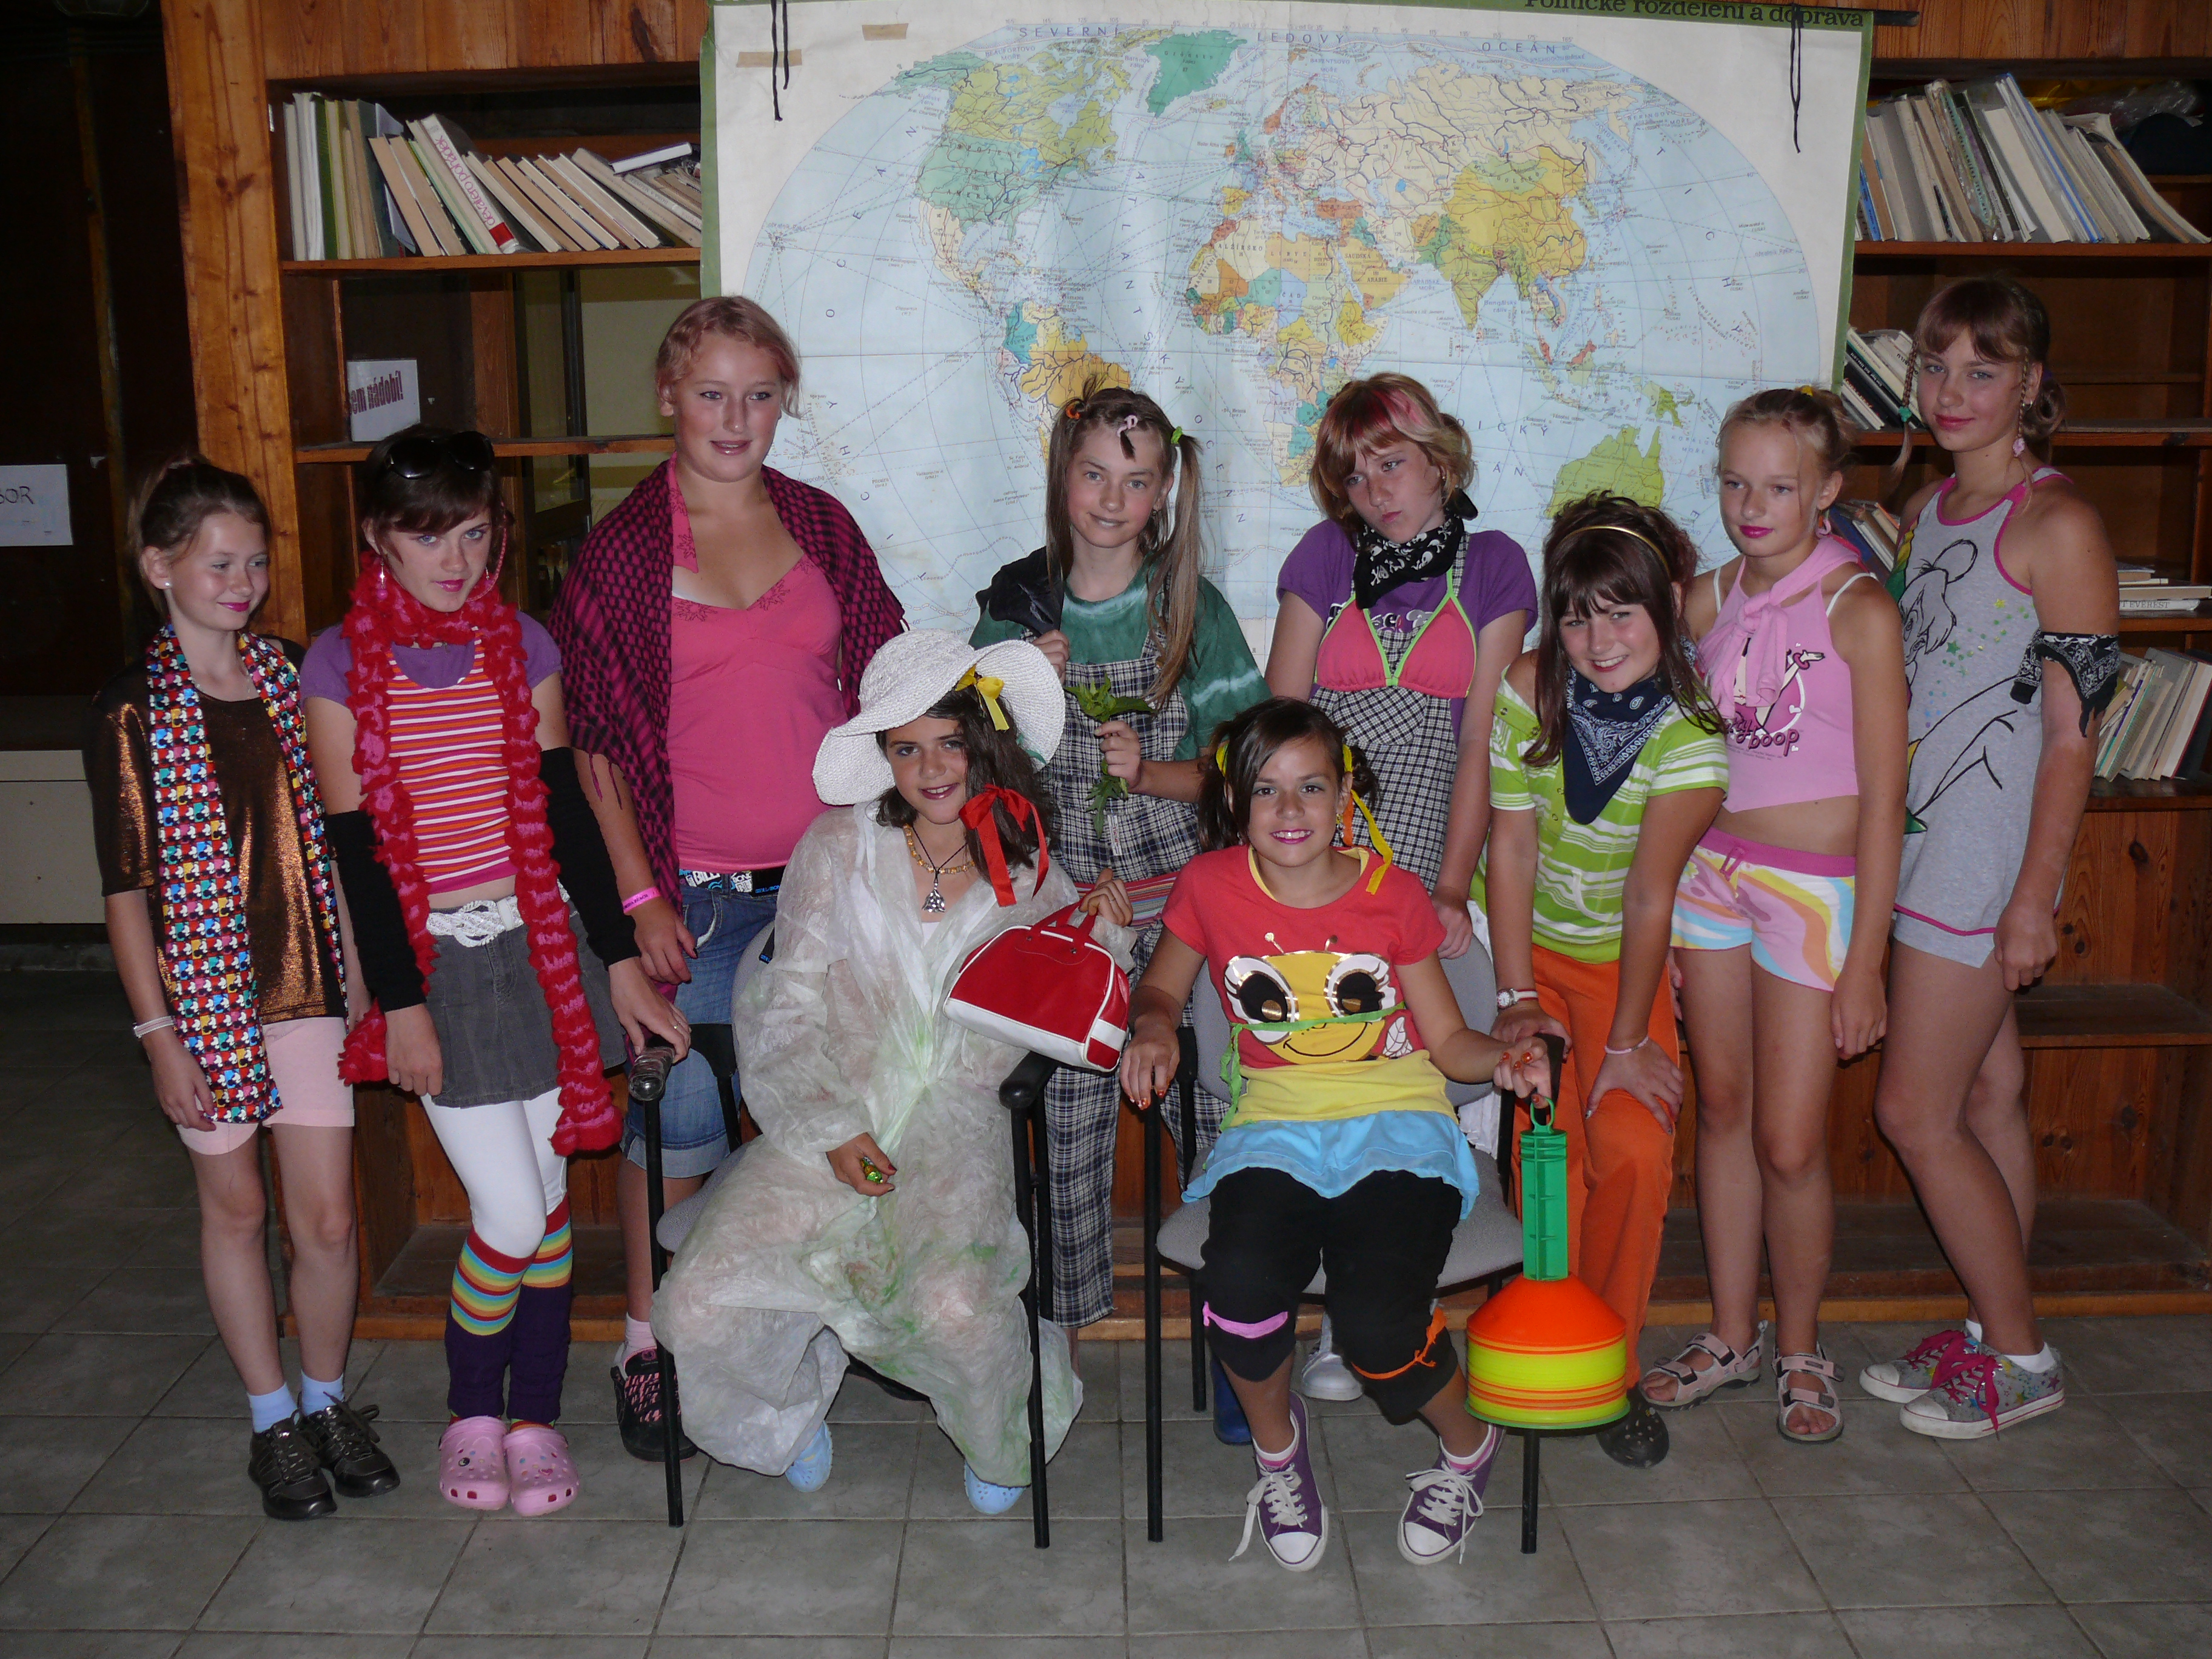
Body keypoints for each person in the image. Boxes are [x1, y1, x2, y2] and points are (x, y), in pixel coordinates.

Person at [304, 426, 688, 1515]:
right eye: (428, 536)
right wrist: (404, 1008)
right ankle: (472, 1416)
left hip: (543, 951)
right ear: (379, 538)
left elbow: (563, 810)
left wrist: (617, 960)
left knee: (551, 1208)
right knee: (512, 1217)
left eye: (474, 534)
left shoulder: (523, 643)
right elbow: (358, 855)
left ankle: (534, 1421)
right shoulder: (336, 664)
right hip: (437, 967)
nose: (455, 559)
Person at [652, 631, 1125, 1510]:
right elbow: (784, 1003)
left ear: (986, 743)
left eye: (950, 742)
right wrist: (831, 1129)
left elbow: (1069, 998)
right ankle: (787, 1411)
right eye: (906, 749)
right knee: (698, 1301)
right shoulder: (837, 846)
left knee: (954, 1303)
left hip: (956, 1125)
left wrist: (1106, 926)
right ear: (884, 758)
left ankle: (1000, 1431)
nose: (931, 768)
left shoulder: (1028, 865)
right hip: (826, 1108)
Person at [549, 295, 905, 1458]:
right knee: (681, 1130)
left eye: (760, 395)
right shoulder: (621, 552)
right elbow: (595, 748)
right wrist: (639, 899)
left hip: (824, 894)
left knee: (820, 1128)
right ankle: (649, 1343)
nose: (735, 418)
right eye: (712, 393)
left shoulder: (824, 527)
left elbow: (892, 688)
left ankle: (787, 1338)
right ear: (669, 395)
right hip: (689, 900)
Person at [1120, 697, 1549, 1572]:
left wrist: (1504, 1057)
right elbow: (1160, 990)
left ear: (1344, 795)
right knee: (1239, 1288)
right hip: (1273, 1131)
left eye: (1311, 787)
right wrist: (1155, 1027)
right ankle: (1279, 1454)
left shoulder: (1392, 895)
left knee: (1378, 1325)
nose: (1289, 810)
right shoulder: (1209, 885)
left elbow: (1450, 1044)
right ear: (1235, 800)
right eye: (1266, 789)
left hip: (1398, 1130)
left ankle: (1468, 1445)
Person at [88, 457, 397, 1521]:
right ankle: (274, 1424)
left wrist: (360, 967)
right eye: (219, 564)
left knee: (327, 1220)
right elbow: (126, 893)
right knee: (237, 1210)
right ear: (159, 568)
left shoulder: (290, 677)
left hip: (309, 987)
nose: (243, 583)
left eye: (255, 563)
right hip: (203, 1006)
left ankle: (326, 1403)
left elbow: (337, 836)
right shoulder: (130, 710)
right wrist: (158, 1036)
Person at [1855, 278, 2117, 1438]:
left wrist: (2034, 899)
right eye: (1935, 366)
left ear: (2031, 385)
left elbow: (2071, 735)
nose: (1952, 391)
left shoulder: (2059, 527)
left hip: (1981, 862)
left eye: (1983, 369)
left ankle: (2022, 1358)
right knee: (1991, 1091)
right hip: (1919, 841)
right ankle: (1991, 1323)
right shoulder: (1928, 509)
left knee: (1915, 1113)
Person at [970, 380, 1267, 1388]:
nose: (1110, 499)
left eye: (1135, 482)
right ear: (1064, 475)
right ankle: (1061, 1323)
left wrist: (1153, 775)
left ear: (1163, 494)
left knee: (1221, 1114)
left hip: (1186, 914)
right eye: (1094, 474)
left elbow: (1247, 770)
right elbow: (970, 773)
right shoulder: (1014, 611)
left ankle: (1240, 1321)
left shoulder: (1194, 612)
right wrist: (1015, 688)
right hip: (1066, 921)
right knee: (1066, 1118)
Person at [1264, 372, 1535, 1401]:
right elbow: (1282, 728)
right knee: (1331, 1060)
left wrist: (1450, 885)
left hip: (1427, 847)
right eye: (1354, 473)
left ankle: (1387, 1299)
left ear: (1441, 459)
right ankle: (1334, 1307)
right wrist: (1294, 869)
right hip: (1318, 846)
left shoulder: (1496, 565)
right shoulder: (1323, 556)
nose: (1373, 489)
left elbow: (1478, 743)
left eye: (1391, 462)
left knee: (1414, 1077)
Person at [1646, 389, 1907, 1442]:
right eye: (1734, 483)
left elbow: (1885, 801)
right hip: (1710, 878)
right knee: (1721, 1111)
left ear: (1828, 490)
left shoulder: (1860, 608)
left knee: (1791, 1141)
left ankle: (1803, 1348)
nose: (1752, 507)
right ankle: (1731, 1335)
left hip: (1813, 892)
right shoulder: (1702, 599)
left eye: (1780, 487)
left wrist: (1867, 961)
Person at [1479, 493, 1727, 1469]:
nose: (1599, 639)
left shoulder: (1692, 734)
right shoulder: (1527, 686)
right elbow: (1511, 848)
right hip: (1528, 960)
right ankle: (1545, 1355)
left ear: (1666, 607)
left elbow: (1649, 898)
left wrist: (1625, 1044)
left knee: (1630, 1148)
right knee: (1550, 1155)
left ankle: (1608, 1369)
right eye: (1578, 616)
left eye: (1622, 613)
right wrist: (1515, 1001)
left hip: (1623, 972)